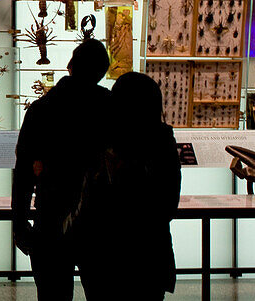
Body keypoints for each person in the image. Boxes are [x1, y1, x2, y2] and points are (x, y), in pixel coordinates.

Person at [13, 38, 112, 300]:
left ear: (70, 65)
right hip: (100, 224)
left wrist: (20, 223)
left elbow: (23, 172)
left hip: (51, 219)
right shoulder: (110, 108)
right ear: (102, 71)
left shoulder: (42, 109)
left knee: (53, 296)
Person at [76, 71, 182, 300]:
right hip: (149, 253)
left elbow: (89, 199)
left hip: (102, 253)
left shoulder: (100, 139)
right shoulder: (162, 141)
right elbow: (168, 203)